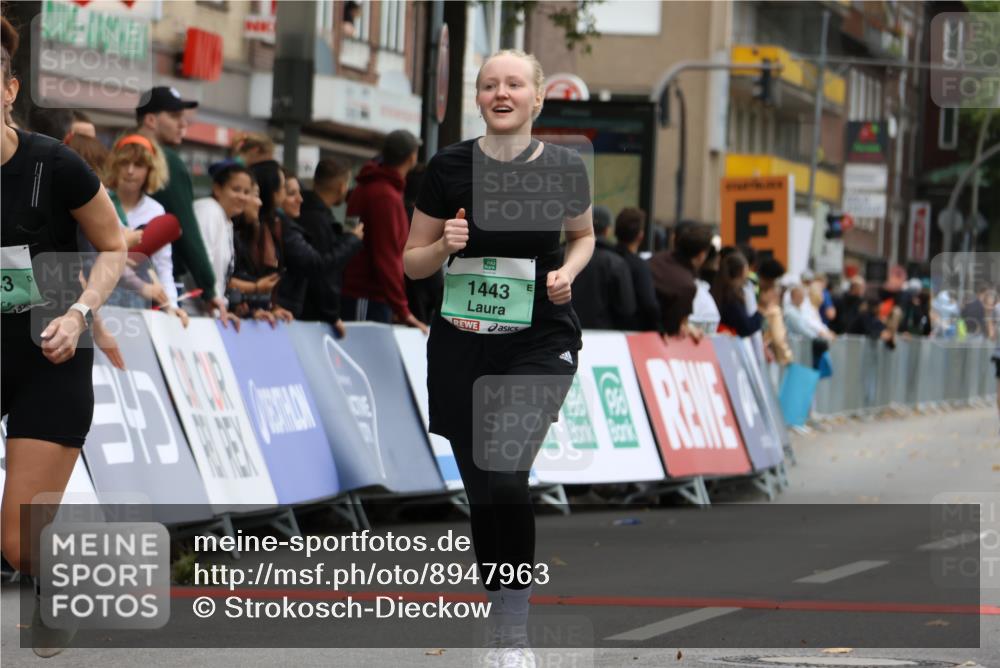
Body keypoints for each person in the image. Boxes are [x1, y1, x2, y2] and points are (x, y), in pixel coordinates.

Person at [403, 49, 594, 667]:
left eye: (514, 84)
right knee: (485, 490)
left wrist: (566, 270)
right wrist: (444, 247)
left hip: (540, 340)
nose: (501, 93)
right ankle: (501, 611)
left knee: (508, 473)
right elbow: (412, 260)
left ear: (538, 97)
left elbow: (584, 234)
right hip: (462, 342)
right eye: (490, 85)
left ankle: (513, 638)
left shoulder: (564, 167)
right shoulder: (449, 166)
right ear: (478, 98)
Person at [1, 15, 126, 656]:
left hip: (48, 352)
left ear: (9, 90)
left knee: (19, 543)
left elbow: (114, 244)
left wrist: (81, 313)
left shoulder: (54, 164)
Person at [136, 86, 235, 326]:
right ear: (150, 119)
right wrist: (209, 289)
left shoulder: (119, 152)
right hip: (160, 282)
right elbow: (186, 228)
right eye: (174, 116)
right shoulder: (167, 161)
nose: (183, 124)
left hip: (113, 276)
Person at [343, 129, 428, 333]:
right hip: (366, 295)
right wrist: (402, 309)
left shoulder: (369, 187)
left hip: (366, 295)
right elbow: (387, 256)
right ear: (412, 157)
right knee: (363, 360)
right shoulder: (384, 196)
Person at [104, 133, 189, 325]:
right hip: (100, 293)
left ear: (150, 170)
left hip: (137, 301)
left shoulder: (155, 210)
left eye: (139, 165)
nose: (130, 171)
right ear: (115, 165)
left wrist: (172, 306)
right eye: (124, 163)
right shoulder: (101, 199)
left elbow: (163, 266)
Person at [280, 157, 364, 336]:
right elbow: (322, 269)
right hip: (305, 317)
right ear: (342, 186)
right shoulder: (316, 221)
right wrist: (332, 315)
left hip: (295, 312)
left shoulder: (304, 216)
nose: (299, 199)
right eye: (291, 193)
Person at [227, 160, 293, 325]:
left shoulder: (259, 230)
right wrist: (256, 290)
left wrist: (271, 308)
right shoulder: (229, 231)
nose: (259, 202)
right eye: (239, 191)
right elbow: (223, 281)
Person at [193, 160, 252, 327]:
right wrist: (216, 306)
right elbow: (203, 260)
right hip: (193, 312)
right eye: (236, 189)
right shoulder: (208, 210)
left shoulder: (226, 220)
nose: (242, 196)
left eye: (247, 192)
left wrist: (223, 310)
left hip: (209, 314)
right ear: (217, 189)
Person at [570, 205, 635, 329]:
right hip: (604, 337)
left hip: (566, 334)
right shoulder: (616, 262)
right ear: (608, 230)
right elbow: (627, 308)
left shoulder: (562, 256)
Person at [648, 221, 713, 338]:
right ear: (702, 255)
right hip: (655, 341)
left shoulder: (655, 260)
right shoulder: (687, 286)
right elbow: (674, 328)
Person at [613, 206, 659, 331]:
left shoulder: (606, 258)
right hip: (630, 333)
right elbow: (649, 304)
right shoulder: (639, 266)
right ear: (640, 235)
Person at [712, 251, 769, 337]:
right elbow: (745, 328)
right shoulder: (731, 297)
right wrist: (761, 310)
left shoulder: (719, 289)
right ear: (742, 271)